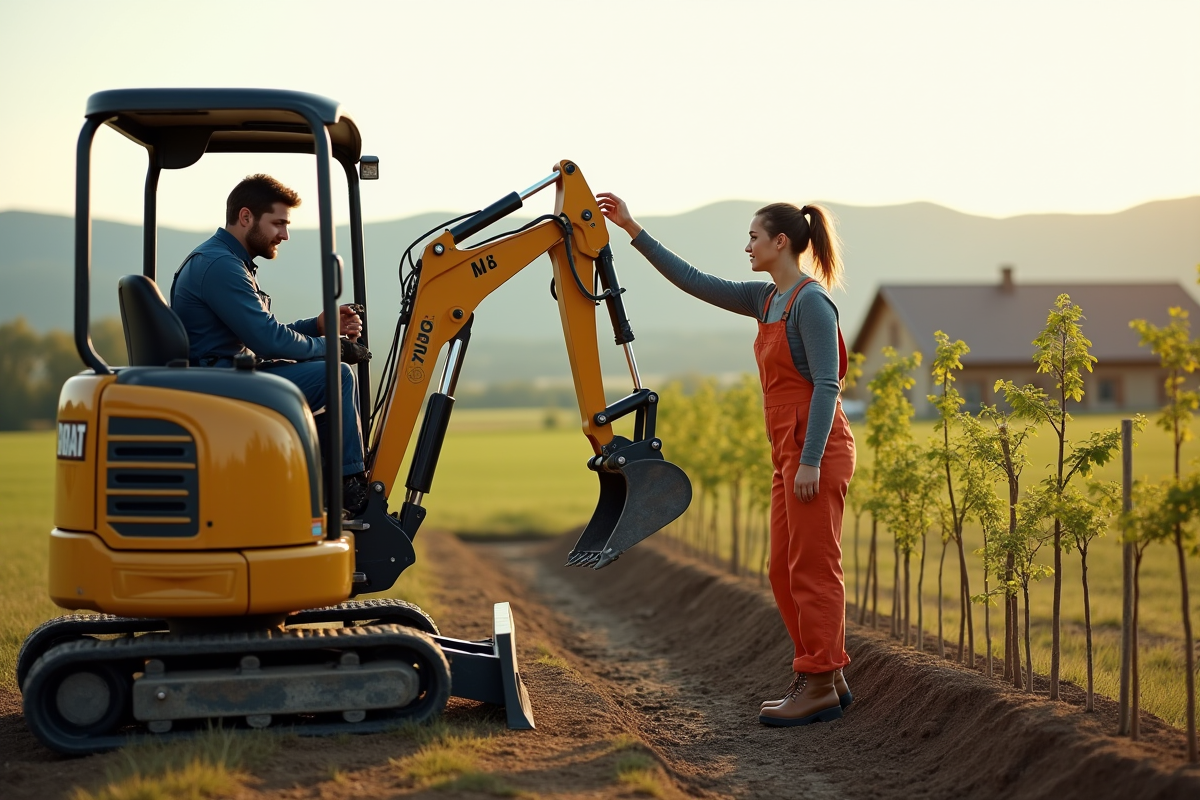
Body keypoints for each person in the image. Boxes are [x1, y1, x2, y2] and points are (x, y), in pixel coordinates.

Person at [597, 192, 856, 727]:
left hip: (817, 449)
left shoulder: (811, 302)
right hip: (786, 450)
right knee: (782, 571)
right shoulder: (765, 299)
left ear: (779, 242)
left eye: (753, 238)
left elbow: (828, 385)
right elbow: (693, 280)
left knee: (812, 568)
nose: (747, 247)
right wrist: (631, 229)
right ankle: (826, 676)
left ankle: (818, 683)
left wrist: (808, 461)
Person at [170, 174, 373, 516]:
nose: (285, 234)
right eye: (278, 223)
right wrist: (333, 348)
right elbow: (267, 340)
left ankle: (322, 489)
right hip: (221, 384)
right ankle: (349, 492)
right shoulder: (221, 265)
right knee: (336, 376)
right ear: (246, 217)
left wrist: (317, 327)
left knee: (326, 399)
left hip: (227, 376)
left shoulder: (226, 261)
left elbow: (263, 334)